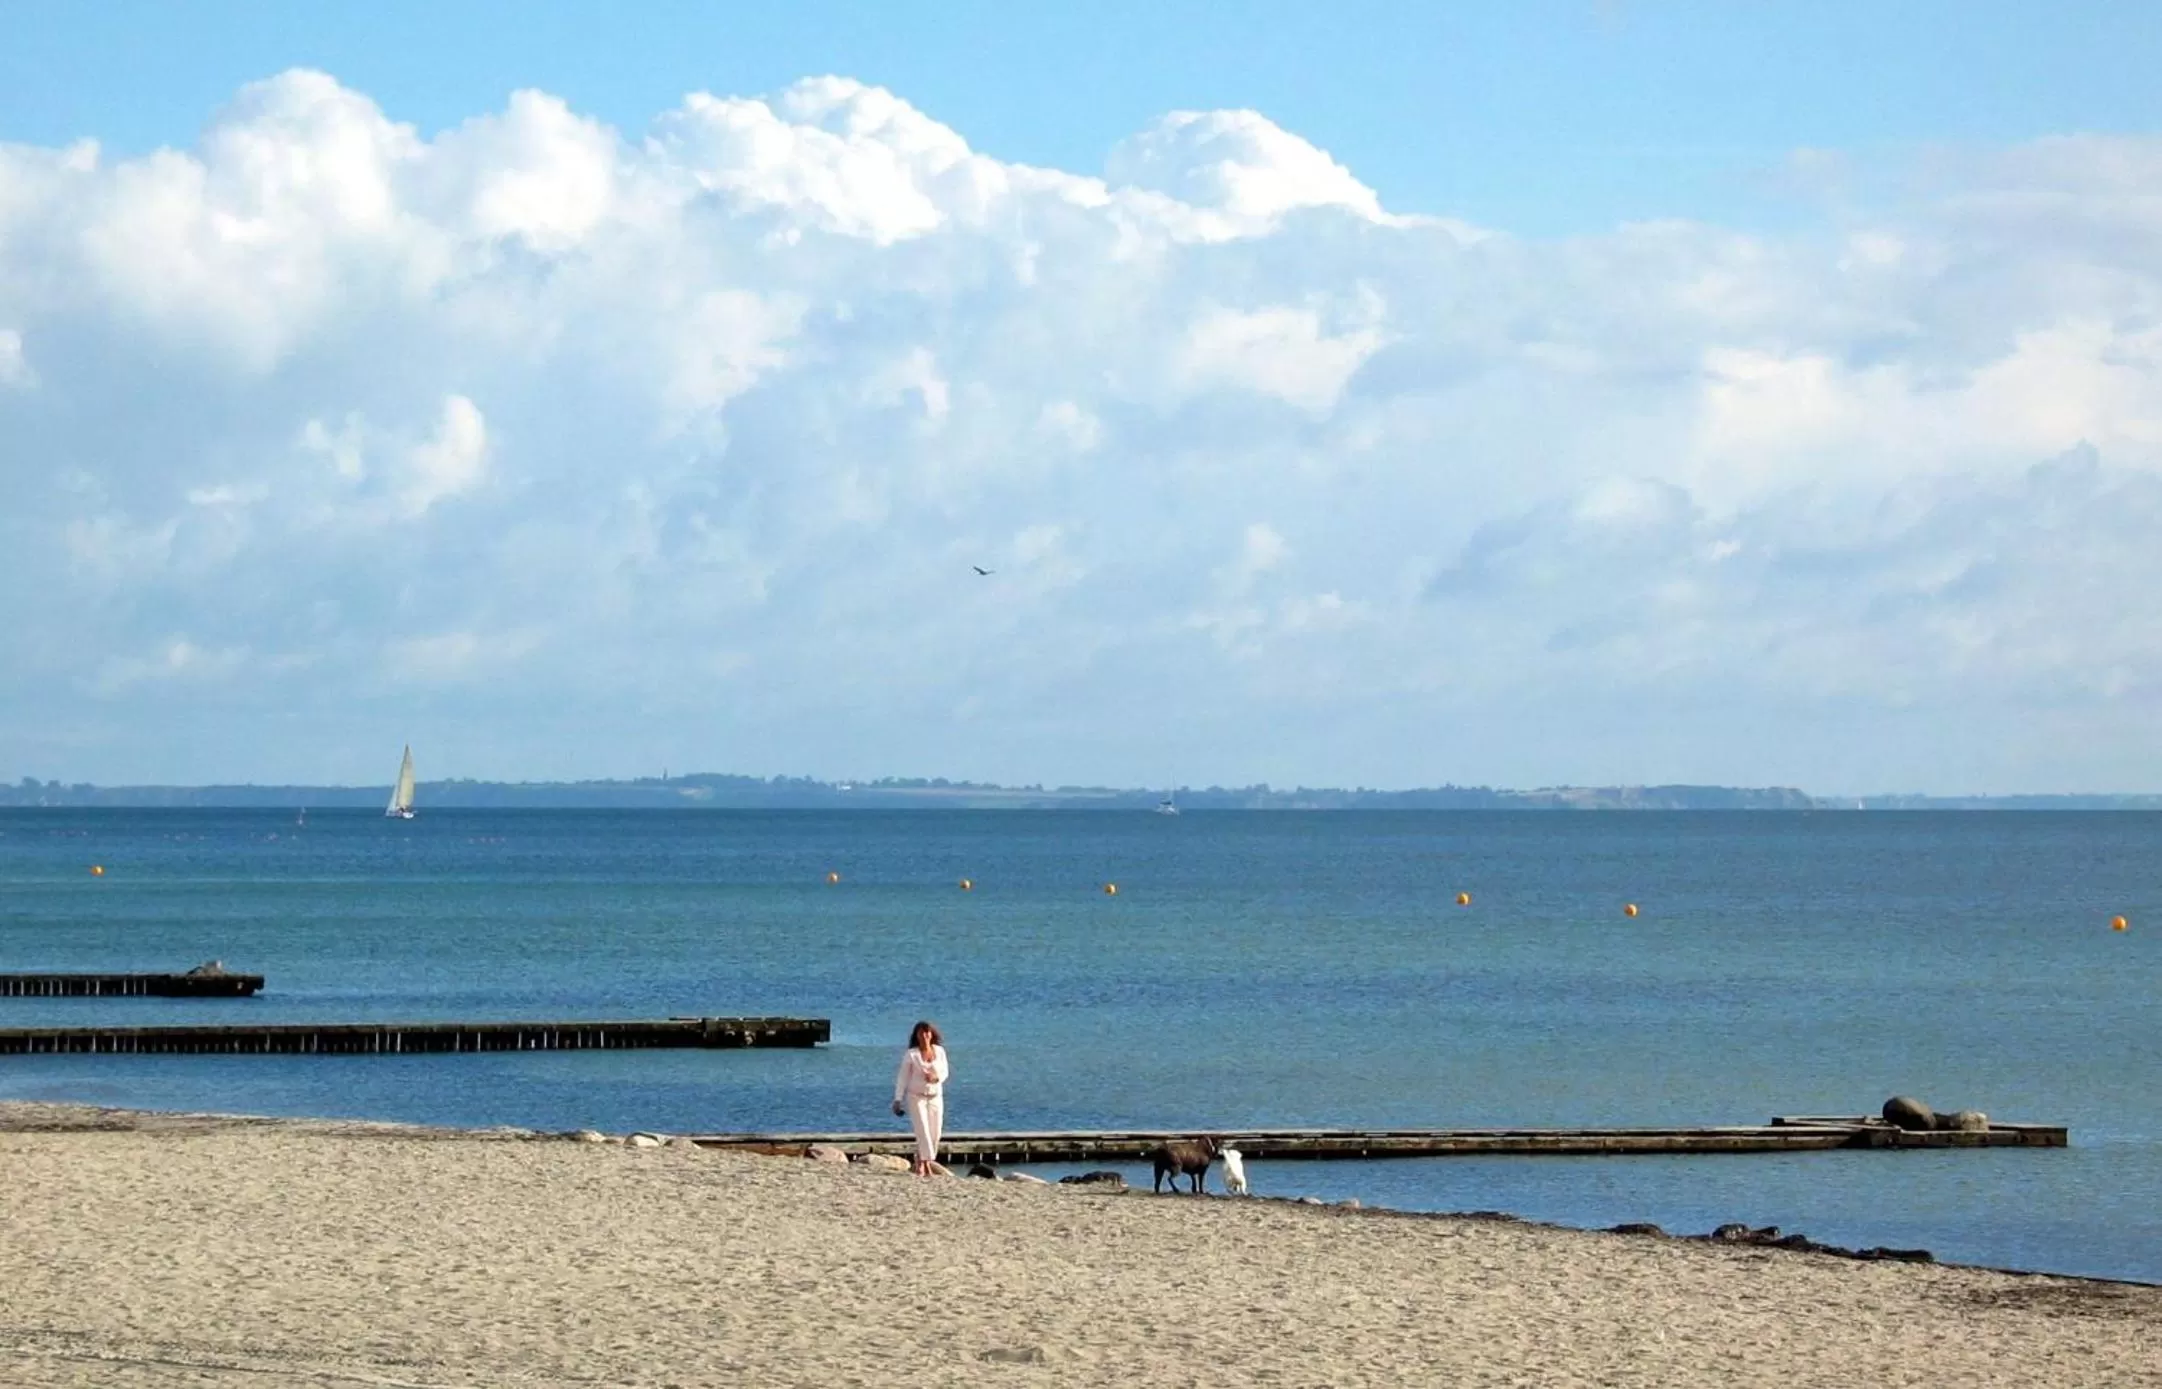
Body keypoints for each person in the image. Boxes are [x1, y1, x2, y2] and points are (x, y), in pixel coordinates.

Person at [891, 1020, 949, 1176]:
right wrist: (898, 1099)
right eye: (921, 1033)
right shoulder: (912, 1054)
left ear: (932, 1034)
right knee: (922, 1130)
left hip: (935, 1096)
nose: (925, 1035)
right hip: (916, 1097)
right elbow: (902, 1078)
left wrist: (936, 1077)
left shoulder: (940, 1051)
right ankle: (925, 1164)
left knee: (935, 1132)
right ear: (916, 1035)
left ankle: (923, 1160)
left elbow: (945, 1072)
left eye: (927, 1032)